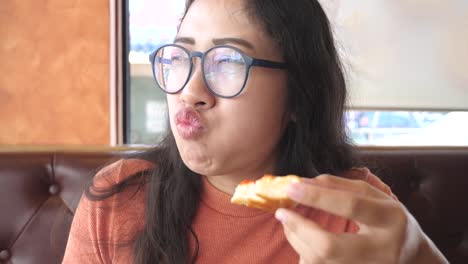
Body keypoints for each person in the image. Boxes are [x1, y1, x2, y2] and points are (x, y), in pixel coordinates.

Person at [62, 0, 448, 263]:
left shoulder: (353, 211)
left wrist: (419, 255)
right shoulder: (119, 201)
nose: (190, 91)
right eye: (182, 55)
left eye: (228, 61)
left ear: (298, 96)